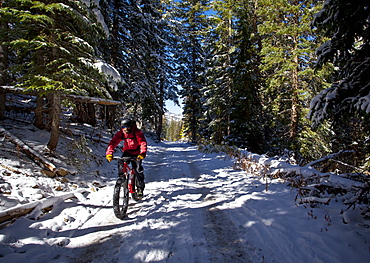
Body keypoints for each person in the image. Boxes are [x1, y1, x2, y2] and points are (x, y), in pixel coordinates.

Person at [106, 118, 147, 198]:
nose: (126, 129)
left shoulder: (137, 132)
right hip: (127, 152)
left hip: (137, 153)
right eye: (123, 127)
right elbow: (113, 143)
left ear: (131, 126)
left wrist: (142, 153)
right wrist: (109, 153)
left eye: (128, 127)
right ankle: (122, 178)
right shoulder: (121, 133)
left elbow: (142, 143)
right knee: (121, 163)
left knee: (138, 169)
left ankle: (140, 189)